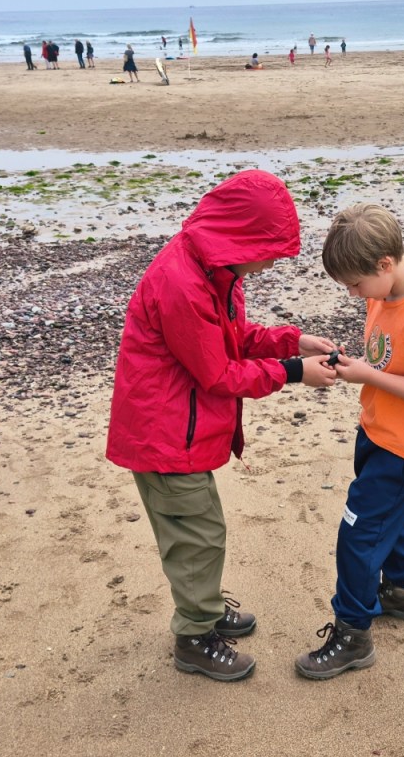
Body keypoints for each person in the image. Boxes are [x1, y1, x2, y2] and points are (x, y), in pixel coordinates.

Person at [106, 170, 340, 682]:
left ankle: (205, 608)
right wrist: (293, 372)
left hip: (178, 429)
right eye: (268, 253)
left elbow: (232, 336)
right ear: (240, 239)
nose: (270, 264)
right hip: (164, 435)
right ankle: (194, 636)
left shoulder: (212, 268)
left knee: (200, 526)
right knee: (197, 537)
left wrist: (292, 341)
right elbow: (219, 374)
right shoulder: (183, 283)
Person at [294, 203, 404, 680]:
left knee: (359, 533)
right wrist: (356, 367)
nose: (352, 294)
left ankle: (353, 635)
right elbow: (387, 361)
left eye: (354, 284)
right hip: (377, 429)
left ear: (385, 264)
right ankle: (401, 591)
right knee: (397, 514)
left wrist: (367, 375)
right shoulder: (382, 294)